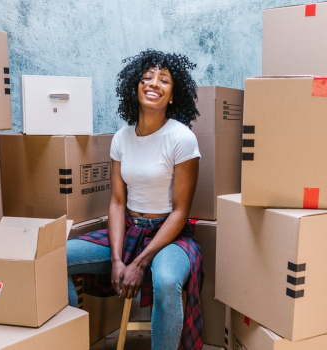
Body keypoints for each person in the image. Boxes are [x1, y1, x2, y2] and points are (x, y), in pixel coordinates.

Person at [66, 49, 204, 350]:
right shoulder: (121, 138)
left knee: (167, 282)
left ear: (172, 95)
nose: (154, 83)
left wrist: (140, 262)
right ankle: (68, 340)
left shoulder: (181, 139)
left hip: (170, 235)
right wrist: (117, 259)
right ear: (135, 87)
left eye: (164, 80)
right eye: (147, 78)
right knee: (56, 258)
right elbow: (116, 202)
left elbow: (181, 212)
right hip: (129, 230)